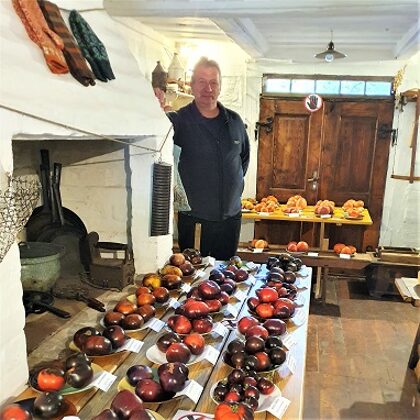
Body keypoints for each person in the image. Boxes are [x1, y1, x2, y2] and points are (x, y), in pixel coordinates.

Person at [167, 57, 250, 260]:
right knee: (194, 274)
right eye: (202, 82)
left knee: (227, 274)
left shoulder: (234, 121)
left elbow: (243, 160)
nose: (208, 88)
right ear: (192, 85)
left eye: (214, 82)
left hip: (230, 219)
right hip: (195, 219)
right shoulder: (179, 121)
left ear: (220, 87)